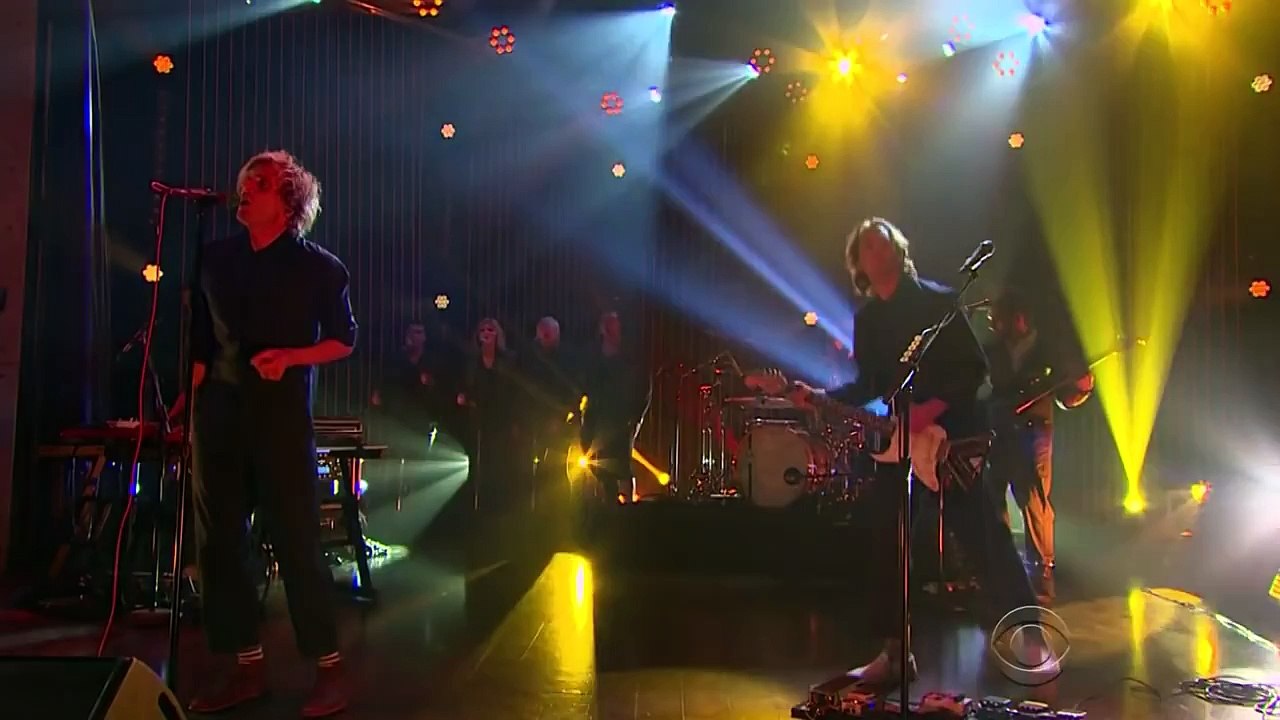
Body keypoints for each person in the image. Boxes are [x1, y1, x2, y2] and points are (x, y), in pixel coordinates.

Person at [788, 218, 1040, 689]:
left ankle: (1031, 633)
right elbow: (870, 385)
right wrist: (820, 397)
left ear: (899, 251)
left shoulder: (937, 302)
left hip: (951, 437)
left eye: (883, 241)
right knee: (888, 540)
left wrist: (930, 410)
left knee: (982, 534)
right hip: (902, 443)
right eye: (866, 246)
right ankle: (894, 653)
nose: (876, 249)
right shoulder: (868, 321)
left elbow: (974, 369)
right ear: (859, 264)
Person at [185, 150, 355, 717]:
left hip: (280, 418)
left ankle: (329, 668)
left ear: (288, 201)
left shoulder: (320, 268)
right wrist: (188, 399)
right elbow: (200, 340)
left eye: (258, 183)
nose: (244, 190)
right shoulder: (215, 259)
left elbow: (344, 339)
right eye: (243, 181)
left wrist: (291, 357)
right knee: (220, 542)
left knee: (296, 539)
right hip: (220, 414)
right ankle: (246, 666)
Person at [985, 290, 1093, 599]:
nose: (995, 325)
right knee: (991, 496)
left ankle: (1040, 574)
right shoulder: (992, 350)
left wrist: (1083, 388)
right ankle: (1000, 568)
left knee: (1033, 498)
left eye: (1000, 319)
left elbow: (1066, 395)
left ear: (1019, 318)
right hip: (999, 430)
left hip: (1033, 432)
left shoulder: (1047, 349)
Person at [580, 311, 651, 504]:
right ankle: (607, 503)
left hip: (620, 420)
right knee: (599, 464)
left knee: (622, 464)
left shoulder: (630, 358)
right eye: (608, 326)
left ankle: (626, 505)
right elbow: (585, 384)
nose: (611, 330)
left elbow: (643, 387)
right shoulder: (593, 356)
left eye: (614, 326)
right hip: (597, 419)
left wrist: (635, 417)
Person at [457, 318, 520, 514]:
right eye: (483, 330)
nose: (486, 333)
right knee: (477, 462)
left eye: (490, 329)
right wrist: (463, 397)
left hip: (501, 419)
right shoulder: (471, 360)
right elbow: (465, 386)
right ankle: (475, 507)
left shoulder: (508, 360)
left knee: (499, 462)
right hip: (477, 418)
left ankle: (499, 507)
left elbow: (514, 391)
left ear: (498, 334)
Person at [372, 320, 447, 458]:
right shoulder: (397, 358)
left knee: (419, 454)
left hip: (422, 417)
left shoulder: (431, 361)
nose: (414, 337)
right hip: (398, 415)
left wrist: (430, 383)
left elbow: (441, 389)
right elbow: (386, 381)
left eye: (418, 332)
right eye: (411, 333)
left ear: (424, 337)